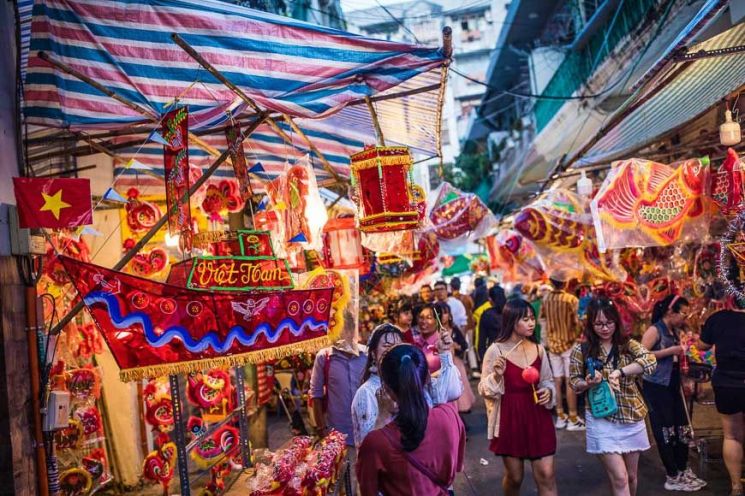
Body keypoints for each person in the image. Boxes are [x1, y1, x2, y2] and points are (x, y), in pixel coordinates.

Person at [569, 298, 657, 496]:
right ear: (591, 324)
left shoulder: (627, 344)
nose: (605, 328)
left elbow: (650, 361)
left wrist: (620, 372)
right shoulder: (581, 350)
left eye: (609, 323)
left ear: (616, 322)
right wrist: (587, 383)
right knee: (620, 477)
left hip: (631, 414)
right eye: (599, 324)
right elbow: (574, 382)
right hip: (601, 417)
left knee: (632, 477)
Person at [356, 344, 466, 496]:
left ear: (385, 388)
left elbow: (367, 490)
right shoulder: (449, 415)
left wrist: (381, 417)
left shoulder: (375, 442)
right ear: (427, 377)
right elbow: (457, 465)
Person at [478, 299, 557, 496]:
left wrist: (548, 391)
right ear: (512, 321)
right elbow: (484, 389)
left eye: (532, 319)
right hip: (510, 418)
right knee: (515, 477)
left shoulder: (539, 349)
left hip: (538, 415)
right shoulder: (495, 350)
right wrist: (497, 375)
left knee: (546, 474)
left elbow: (547, 380)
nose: (532, 323)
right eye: (526, 319)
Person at [351, 322, 462, 448]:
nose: (393, 352)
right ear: (373, 354)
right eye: (387, 346)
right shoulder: (366, 393)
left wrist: (444, 352)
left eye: (398, 346)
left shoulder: (415, 380)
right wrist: (383, 415)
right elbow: (367, 447)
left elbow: (453, 392)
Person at [641, 295, 706, 491]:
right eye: (683, 313)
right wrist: (670, 351)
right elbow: (641, 355)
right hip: (656, 385)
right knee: (665, 429)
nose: (685, 317)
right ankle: (672, 475)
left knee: (682, 427)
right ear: (670, 312)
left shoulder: (676, 330)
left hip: (672, 383)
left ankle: (682, 467)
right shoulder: (655, 330)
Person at [698, 299, 745, 496]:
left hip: (727, 383)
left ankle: (736, 486)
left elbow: (702, 345)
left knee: (732, 435)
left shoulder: (718, 318)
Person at [542, 271, 584, 431]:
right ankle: (573, 417)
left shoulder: (546, 299)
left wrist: (546, 341)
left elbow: (543, 321)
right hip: (569, 344)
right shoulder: (571, 300)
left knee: (557, 381)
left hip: (553, 345)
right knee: (570, 380)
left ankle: (560, 416)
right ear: (565, 284)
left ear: (551, 282)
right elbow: (577, 322)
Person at [434, 301, 475, 413]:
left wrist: (457, 346)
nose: (443, 316)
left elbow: (464, 345)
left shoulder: (454, 329)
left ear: (450, 315)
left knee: (458, 387)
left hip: (456, 363)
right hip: (440, 364)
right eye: (440, 313)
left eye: (445, 313)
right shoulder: (434, 332)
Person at [477, 284, 507, 362]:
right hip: (512, 351)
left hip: (494, 353)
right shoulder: (511, 311)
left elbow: (482, 341)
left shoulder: (486, 314)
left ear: (490, 299)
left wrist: (483, 360)